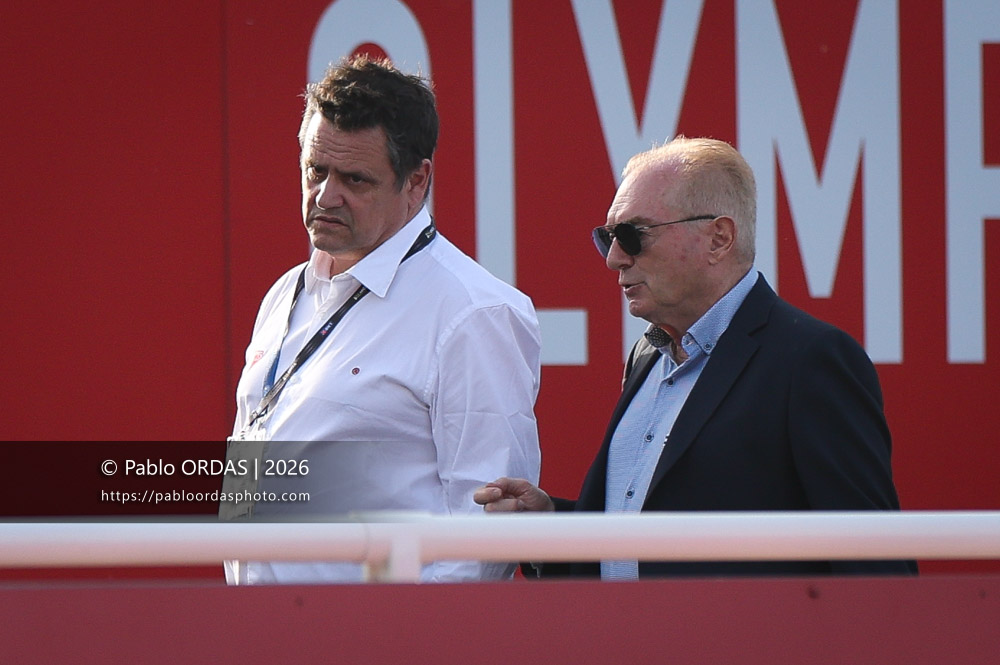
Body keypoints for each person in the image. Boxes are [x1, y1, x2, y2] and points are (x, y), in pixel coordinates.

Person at [474, 136, 916, 578]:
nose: (614, 258)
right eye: (607, 236)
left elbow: (873, 562)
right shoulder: (648, 355)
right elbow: (634, 545)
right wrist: (549, 527)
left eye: (633, 234)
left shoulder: (811, 360)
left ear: (718, 239)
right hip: (628, 644)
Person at [223, 55, 541, 584]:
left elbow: (485, 537)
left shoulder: (472, 312)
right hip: (259, 632)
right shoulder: (286, 293)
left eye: (355, 179)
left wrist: (406, 644)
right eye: (314, 171)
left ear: (417, 182)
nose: (326, 196)